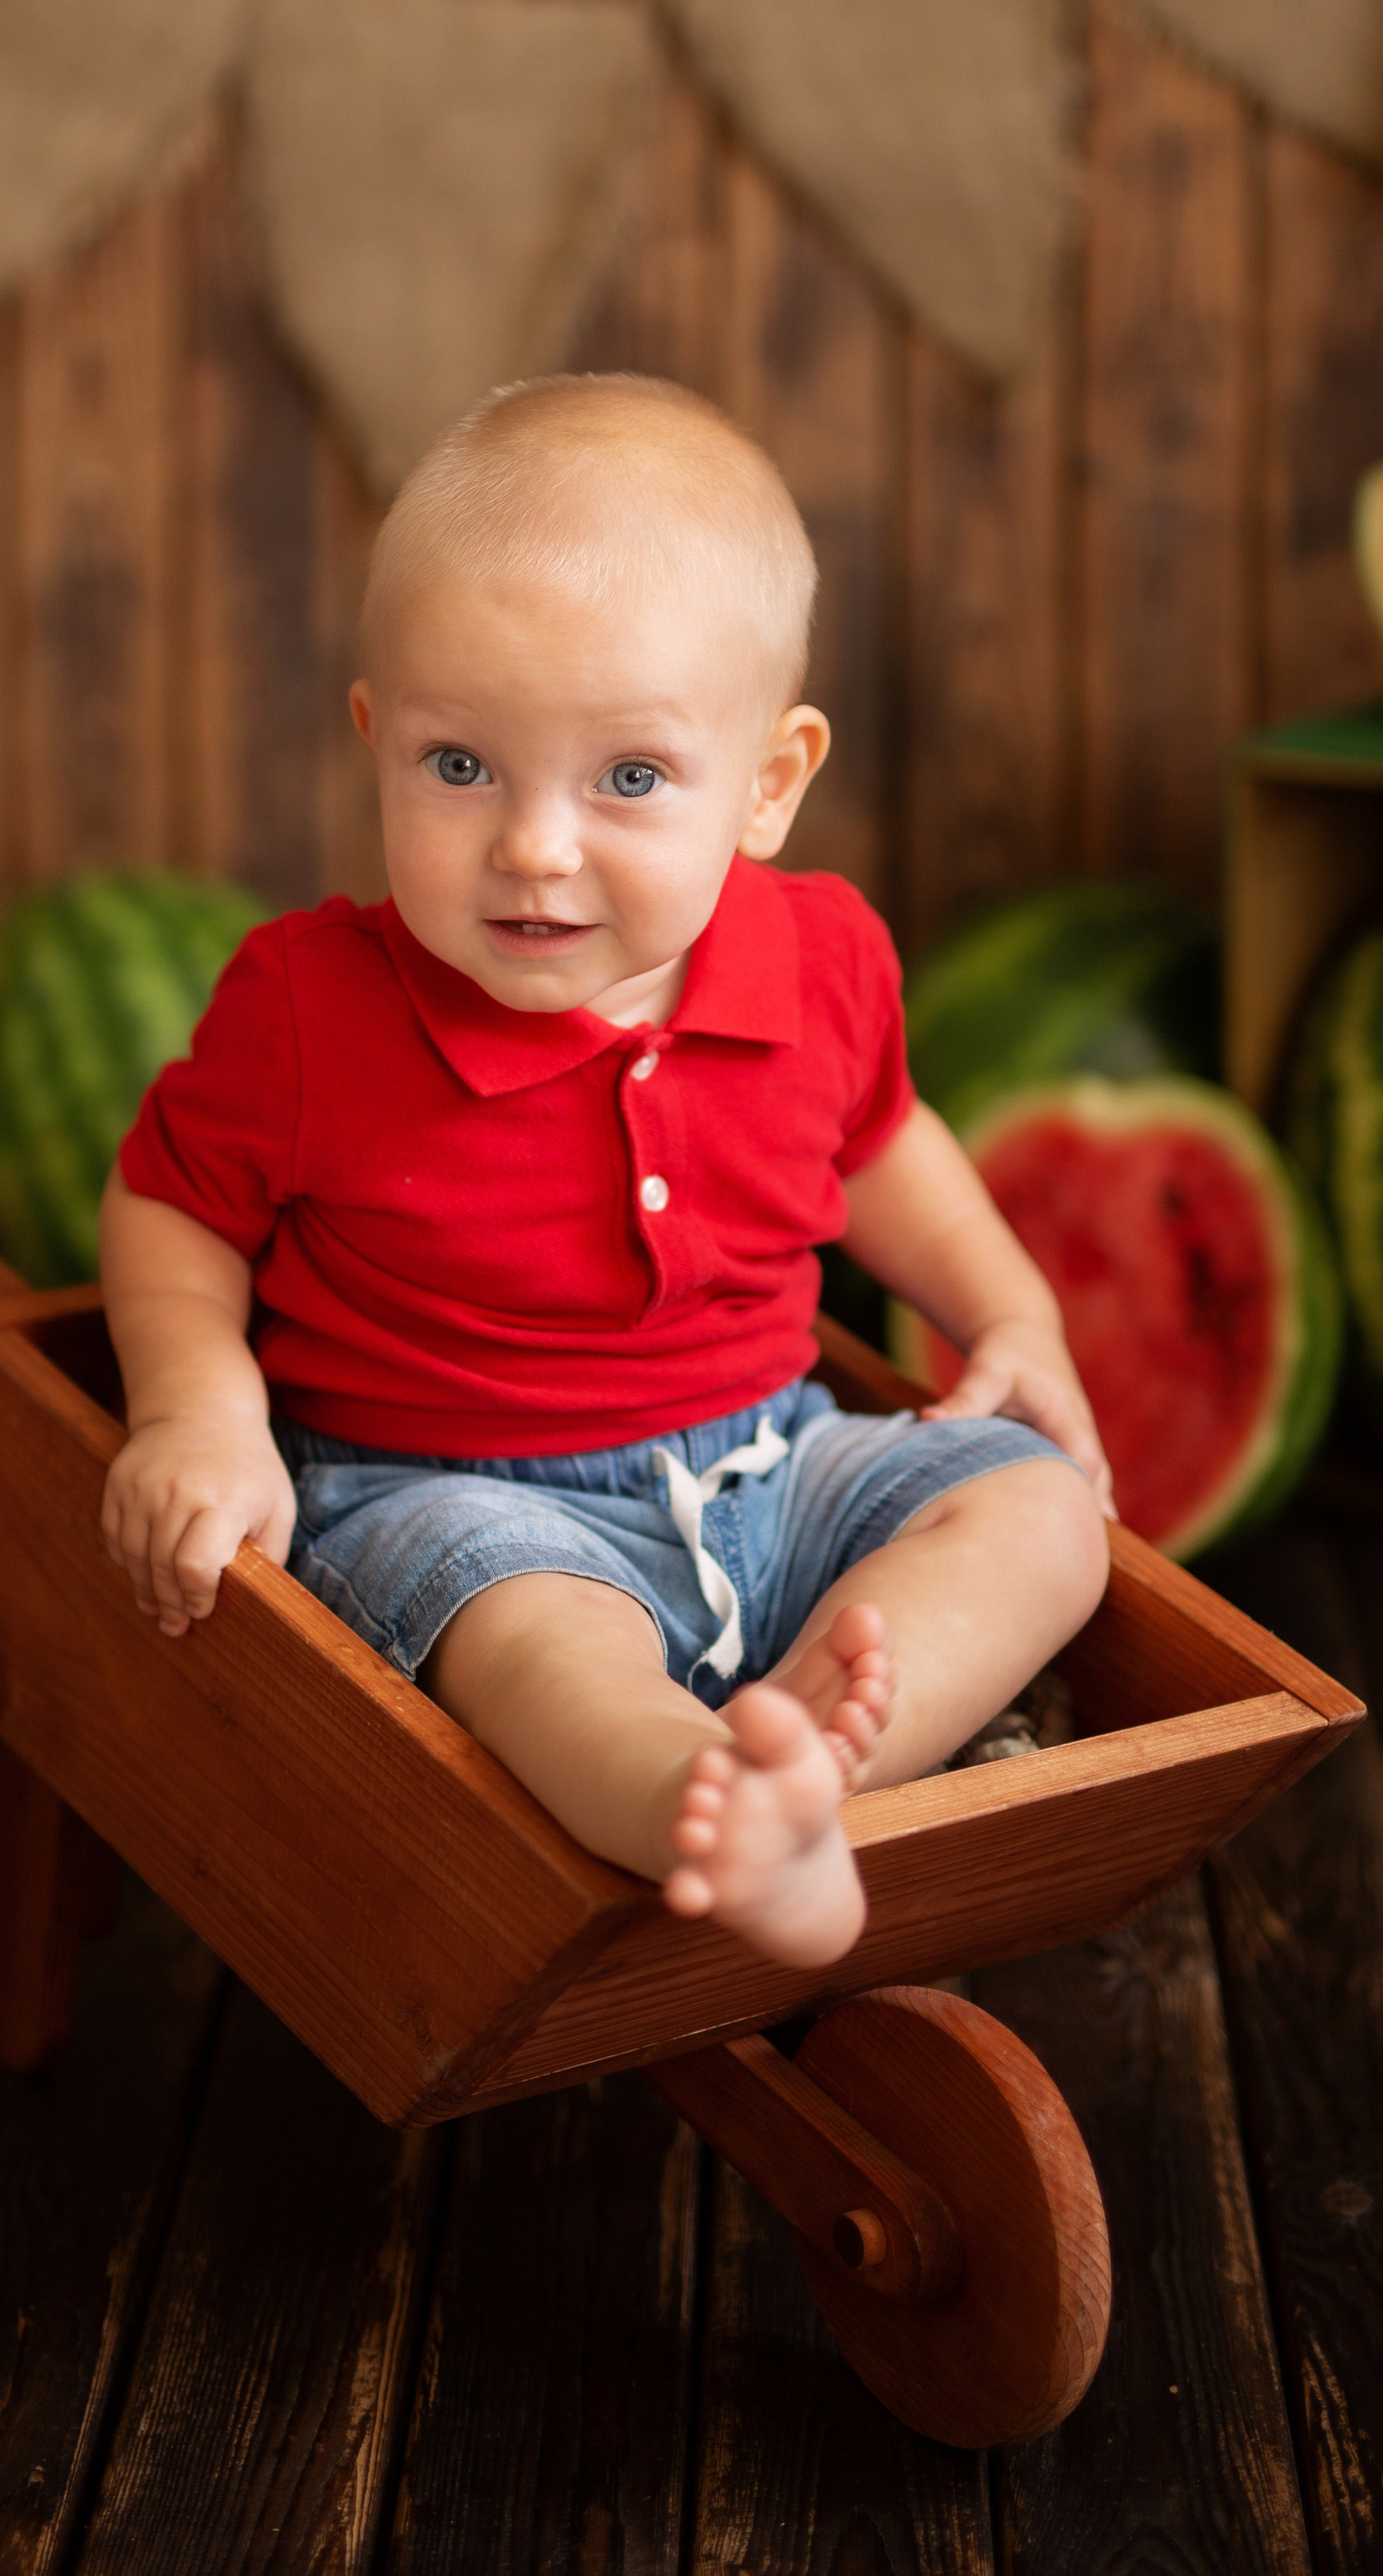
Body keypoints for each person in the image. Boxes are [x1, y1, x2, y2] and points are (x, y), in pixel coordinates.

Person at [99, 373, 1114, 1970]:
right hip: (451, 1493)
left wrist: (1011, 1315)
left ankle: (817, 1767)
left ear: (767, 783)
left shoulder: (822, 960)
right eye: (458, 767)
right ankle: (693, 1798)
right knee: (539, 1654)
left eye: (628, 779)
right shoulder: (310, 1009)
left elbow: (883, 1148)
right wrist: (198, 1414)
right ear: (374, 738)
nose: (534, 847)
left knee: (1045, 1519)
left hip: (774, 1458)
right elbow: (170, 1206)